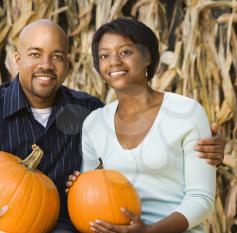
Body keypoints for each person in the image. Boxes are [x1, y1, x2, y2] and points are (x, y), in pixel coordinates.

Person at [0, 19, 223, 233]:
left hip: (62, 227)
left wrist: (209, 151)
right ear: (17, 60)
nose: (46, 65)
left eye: (57, 56)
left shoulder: (87, 113)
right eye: (35, 54)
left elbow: (104, 179)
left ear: (68, 64)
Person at [67, 18, 216, 233]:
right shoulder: (95, 123)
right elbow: (91, 199)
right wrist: (80, 188)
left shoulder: (187, 113)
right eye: (104, 55)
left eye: (125, 52)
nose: (114, 61)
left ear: (147, 57)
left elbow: (201, 199)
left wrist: (149, 232)